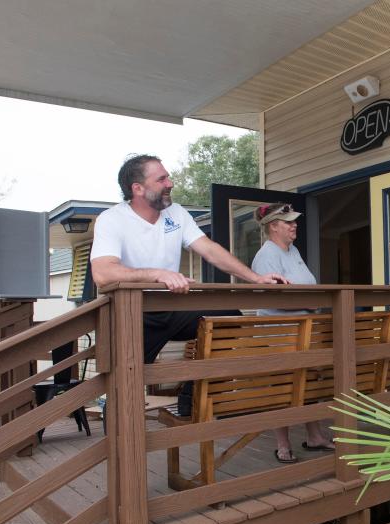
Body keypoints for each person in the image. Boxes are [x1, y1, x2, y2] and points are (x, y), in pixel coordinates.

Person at [90, 154, 289, 415]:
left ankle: (190, 396)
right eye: (161, 178)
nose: (170, 182)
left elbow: (209, 249)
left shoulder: (177, 213)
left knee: (230, 320)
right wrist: (157, 274)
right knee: (123, 390)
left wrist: (255, 278)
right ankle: (118, 447)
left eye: (168, 176)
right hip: (133, 314)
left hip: (173, 307)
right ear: (137, 189)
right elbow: (103, 273)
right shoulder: (112, 219)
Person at [250, 202, 334, 463]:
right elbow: (273, 296)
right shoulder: (266, 255)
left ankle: (315, 436)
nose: (294, 224)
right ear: (273, 226)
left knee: (308, 384)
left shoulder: (293, 250)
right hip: (280, 335)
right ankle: (282, 444)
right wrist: (309, 303)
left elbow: (306, 284)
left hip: (304, 333)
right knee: (283, 389)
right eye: (288, 221)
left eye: (294, 221)